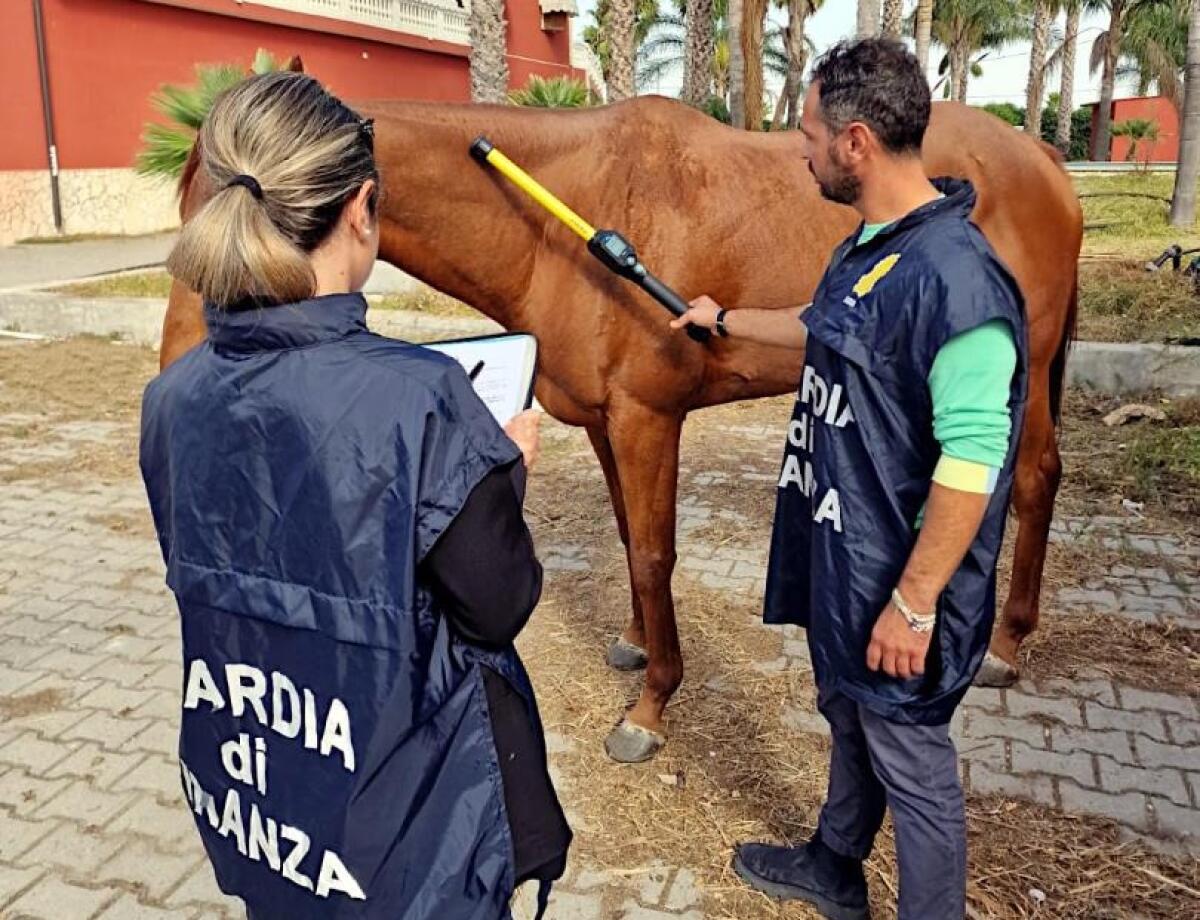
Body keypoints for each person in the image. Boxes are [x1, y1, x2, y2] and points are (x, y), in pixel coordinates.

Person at [139, 72, 570, 920]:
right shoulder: (423, 398)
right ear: (361, 207)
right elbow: (497, 604)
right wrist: (502, 472)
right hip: (408, 829)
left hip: (261, 798)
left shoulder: (171, 396)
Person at [672, 40, 1026, 920]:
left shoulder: (958, 282)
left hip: (897, 576)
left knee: (909, 755)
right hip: (843, 551)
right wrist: (728, 324)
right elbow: (828, 325)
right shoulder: (874, 245)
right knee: (850, 713)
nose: (801, 150)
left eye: (809, 134)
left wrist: (913, 603)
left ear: (856, 142)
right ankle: (835, 866)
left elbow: (974, 461)